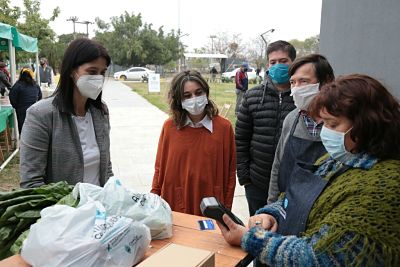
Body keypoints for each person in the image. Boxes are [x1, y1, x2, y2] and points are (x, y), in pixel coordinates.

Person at [218, 74, 400, 266]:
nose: (325, 132)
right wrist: (271, 214)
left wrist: (249, 238)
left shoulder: (383, 187)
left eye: (333, 124)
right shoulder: (339, 159)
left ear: (367, 124)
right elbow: (293, 198)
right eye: (324, 124)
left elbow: (319, 257)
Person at [20, 38, 113, 188]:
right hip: (63, 210)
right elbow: (31, 183)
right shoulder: (41, 115)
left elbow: (106, 167)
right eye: (92, 71)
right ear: (71, 71)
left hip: (100, 208)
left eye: (102, 72)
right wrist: (69, 209)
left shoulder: (101, 112)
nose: (98, 78)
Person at [151, 70, 236, 216]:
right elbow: (159, 168)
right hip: (176, 202)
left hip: (212, 203)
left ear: (206, 93)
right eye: (187, 95)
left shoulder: (224, 127)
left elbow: (230, 173)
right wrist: (153, 199)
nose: (194, 99)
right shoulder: (169, 127)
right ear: (179, 100)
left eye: (198, 93)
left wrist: (226, 209)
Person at [235, 40, 296, 216]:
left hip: (290, 185)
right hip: (257, 182)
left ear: (293, 63)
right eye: (273, 62)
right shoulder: (252, 96)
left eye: (283, 61)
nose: (278, 65)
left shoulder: (302, 98)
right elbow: (241, 138)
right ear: (268, 65)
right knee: (259, 230)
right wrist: (245, 177)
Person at [268, 54, 335, 204]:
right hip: (288, 205)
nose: (296, 89)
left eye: (304, 81)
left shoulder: (342, 123)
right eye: (293, 82)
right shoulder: (291, 119)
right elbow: (278, 165)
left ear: (327, 82)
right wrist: (271, 205)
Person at [9, 68, 42, 134]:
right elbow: (40, 96)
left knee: (23, 131)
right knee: (34, 130)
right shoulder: (35, 85)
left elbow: (12, 97)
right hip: (34, 110)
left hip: (22, 111)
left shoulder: (18, 85)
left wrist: (17, 107)